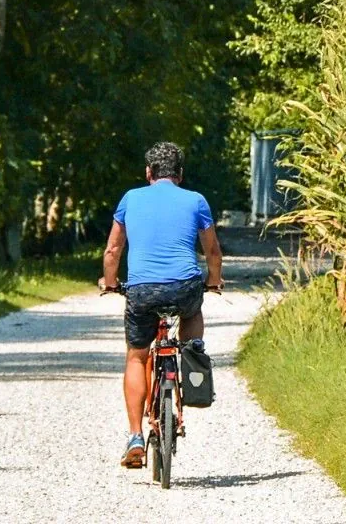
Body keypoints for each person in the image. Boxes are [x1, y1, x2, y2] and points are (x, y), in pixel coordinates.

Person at [99, 141, 224, 468]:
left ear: (148, 172)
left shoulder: (131, 198)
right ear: (180, 174)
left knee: (137, 357)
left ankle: (135, 436)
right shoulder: (196, 200)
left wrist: (110, 283)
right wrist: (213, 281)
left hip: (142, 292)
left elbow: (113, 251)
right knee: (192, 309)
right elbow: (212, 252)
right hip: (184, 288)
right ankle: (192, 348)